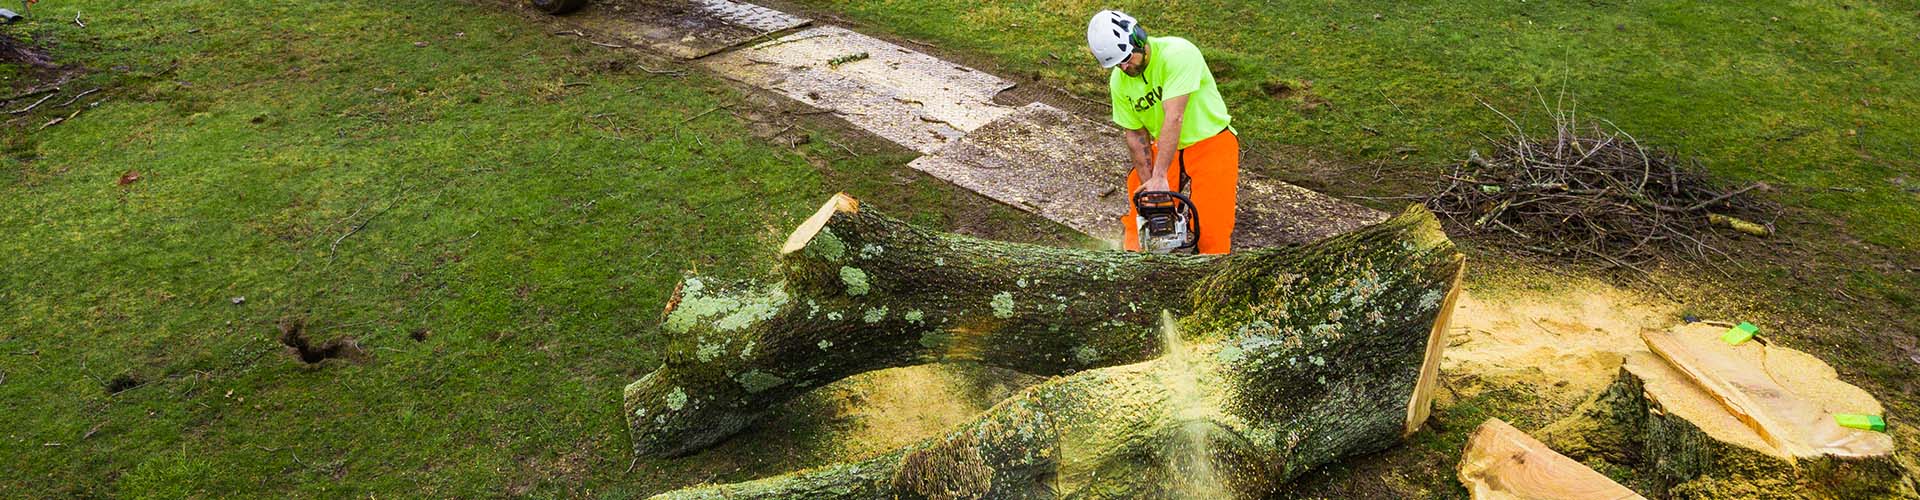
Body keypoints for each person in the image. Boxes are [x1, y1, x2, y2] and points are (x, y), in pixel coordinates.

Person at [1087, 10, 1239, 255]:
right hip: (1168, 145)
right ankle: (1138, 260)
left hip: (1212, 140)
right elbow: (1135, 135)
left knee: (1212, 228)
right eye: (1117, 64)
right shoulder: (1120, 82)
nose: (1124, 67)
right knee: (1141, 199)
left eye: (1126, 58)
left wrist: (1160, 177)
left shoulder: (1178, 54)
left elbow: (1174, 117)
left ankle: (1209, 271)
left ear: (1138, 38)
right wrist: (1150, 183)